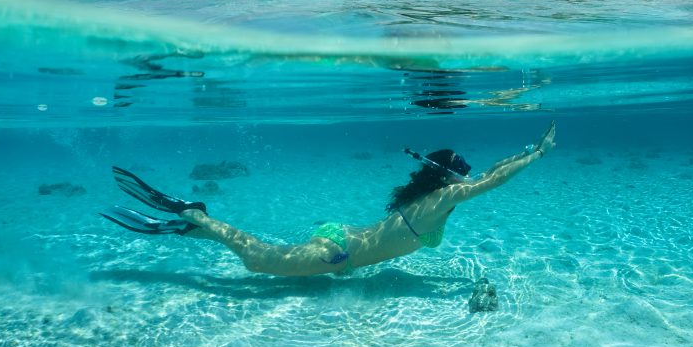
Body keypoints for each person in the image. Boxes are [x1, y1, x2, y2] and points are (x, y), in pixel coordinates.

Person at [101, 122, 556, 277]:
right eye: (464, 174)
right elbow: (494, 181)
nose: (471, 178)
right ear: (452, 178)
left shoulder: (438, 196)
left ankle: (194, 226)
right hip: (338, 250)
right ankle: (194, 214)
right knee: (259, 262)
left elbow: (492, 174)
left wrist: (525, 151)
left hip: (343, 241)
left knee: (264, 256)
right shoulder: (445, 197)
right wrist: (535, 155)